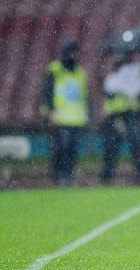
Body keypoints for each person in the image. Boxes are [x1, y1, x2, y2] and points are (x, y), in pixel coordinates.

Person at [41, 41, 89, 187]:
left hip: (76, 118)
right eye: (72, 53)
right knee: (62, 148)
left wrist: (87, 113)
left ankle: (67, 175)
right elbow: (47, 92)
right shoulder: (55, 69)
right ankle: (60, 176)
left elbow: (85, 95)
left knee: (72, 149)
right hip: (60, 117)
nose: (74, 56)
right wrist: (50, 111)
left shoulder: (80, 71)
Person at [100, 53, 140, 185]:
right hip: (119, 117)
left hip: (128, 116)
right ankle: (108, 177)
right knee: (119, 149)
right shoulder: (113, 80)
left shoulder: (114, 80)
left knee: (129, 149)